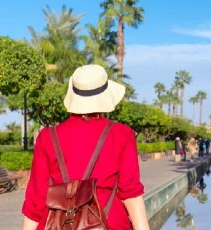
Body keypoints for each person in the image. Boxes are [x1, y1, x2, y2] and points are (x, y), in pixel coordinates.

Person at [21, 65, 149, 230]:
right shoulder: (121, 134)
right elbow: (130, 194)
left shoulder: (47, 137)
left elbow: (35, 200)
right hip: (110, 224)